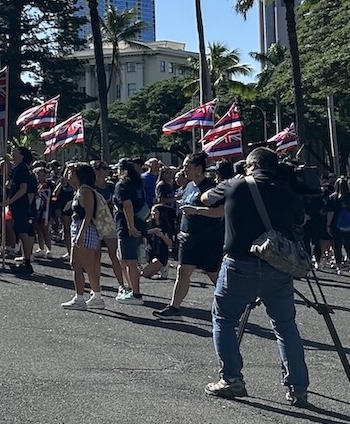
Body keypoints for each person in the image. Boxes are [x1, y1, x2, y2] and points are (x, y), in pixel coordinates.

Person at [205, 147, 309, 405]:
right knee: (285, 327)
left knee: (225, 319)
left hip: (239, 264)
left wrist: (236, 178)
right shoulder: (286, 191)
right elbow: (301, 220)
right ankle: (298, 387)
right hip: (277, 265)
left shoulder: (237, 185)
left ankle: (231, 378)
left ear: (250, 165)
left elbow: (206, 198)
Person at [154, 152, 223, 320]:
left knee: (213, 274)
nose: (184, 169)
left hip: (207, 239)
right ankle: (174, 308)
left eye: (188, 167)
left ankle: (234, 305)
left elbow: (221, 212)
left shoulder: (211, 187)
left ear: (199, 169)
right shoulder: (189, 186)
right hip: (188, 238)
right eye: (184, 166)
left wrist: (197, 210)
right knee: (182, 271)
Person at [60, 162, 109, 309]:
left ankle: (79, 298)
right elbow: (66, 179)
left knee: (76, 264)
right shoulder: (80, 189)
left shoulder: (85, 191)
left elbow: (88, 214)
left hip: (84, 229)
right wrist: (68, 168)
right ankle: (96, 296)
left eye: (73, 171)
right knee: (88, 266)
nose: (69, 173)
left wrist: (80, 234)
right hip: (83, 228)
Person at [113, 160, 147, 301]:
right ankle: (131, 288)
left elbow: (127, 205)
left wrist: (130, 226)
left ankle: (136, 294)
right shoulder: (138, 184)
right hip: (140, 222)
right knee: (122, 257)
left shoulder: (122, 185)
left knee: (130, 261)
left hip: (127, 225)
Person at [5, 146, 39, 276]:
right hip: (20, 205)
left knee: (22, 231)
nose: (13, 153)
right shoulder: (17, 168)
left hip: (21, 205)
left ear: (22, 155)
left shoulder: (22, 169)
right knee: (25, 232)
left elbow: (23, 189)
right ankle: (26, 259)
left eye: (16, 151)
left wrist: (10, 201)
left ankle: (27, 262)